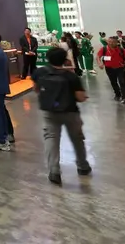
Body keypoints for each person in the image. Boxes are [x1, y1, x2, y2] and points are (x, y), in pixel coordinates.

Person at [32, 47, 91, 185]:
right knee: (77, 139)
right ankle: (82, 166)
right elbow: (80, 97)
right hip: (70, 112)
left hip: (49, 112)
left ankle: (54, 171)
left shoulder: (39, 72)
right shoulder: (71, 76)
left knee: (51, 139)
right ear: (65, 60)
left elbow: (36, 89)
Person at [97, 36, 125, 104]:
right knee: (113, 82)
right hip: (109, 69)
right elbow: (98, 56)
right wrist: (100, 63)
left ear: (116, 42)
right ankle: (117, 94)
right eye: (109, 41)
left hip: (120, 68)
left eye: (113, 42)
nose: (111, 43)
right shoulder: (104, 49)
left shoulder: (121, 49)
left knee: (122, 82)